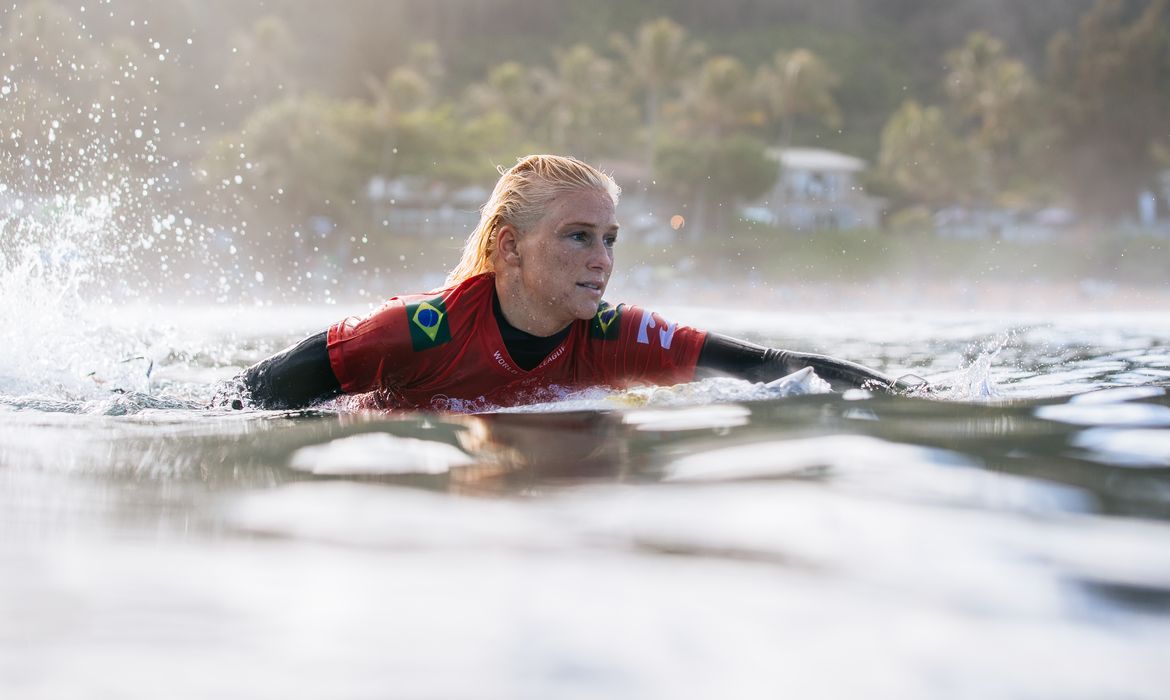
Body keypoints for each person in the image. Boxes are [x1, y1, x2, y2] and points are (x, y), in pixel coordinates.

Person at [238, 155, 917, 411]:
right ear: (510, 248)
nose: (602, 259)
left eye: (610, 239)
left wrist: (915, 397)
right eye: (578, 236)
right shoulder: (418, 332)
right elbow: (249, 399)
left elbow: (767, 368)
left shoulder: (620, 334)